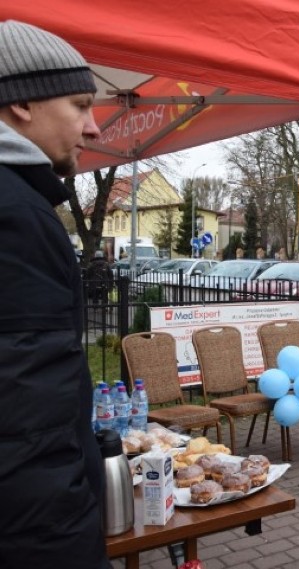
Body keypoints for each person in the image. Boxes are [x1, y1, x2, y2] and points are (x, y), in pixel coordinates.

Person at [0, 20, 110, 568]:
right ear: (22, 103)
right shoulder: (16, 214)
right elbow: (29, 427)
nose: (93, 128)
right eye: (80, 104)